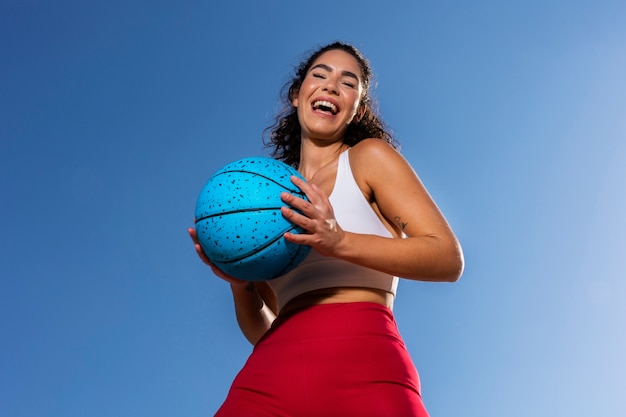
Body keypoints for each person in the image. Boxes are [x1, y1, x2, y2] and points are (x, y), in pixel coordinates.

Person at [188, 41, 464, 417]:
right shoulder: (268, 200)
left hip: (367, 365)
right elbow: (264, 330)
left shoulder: (369, 159)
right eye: (319, 75)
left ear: (357, 109)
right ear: (297, 96)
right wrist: (240, 283)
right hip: (271, 373)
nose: (332, 86)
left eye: (348, 83)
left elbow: (447, 259)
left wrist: (339, 240)